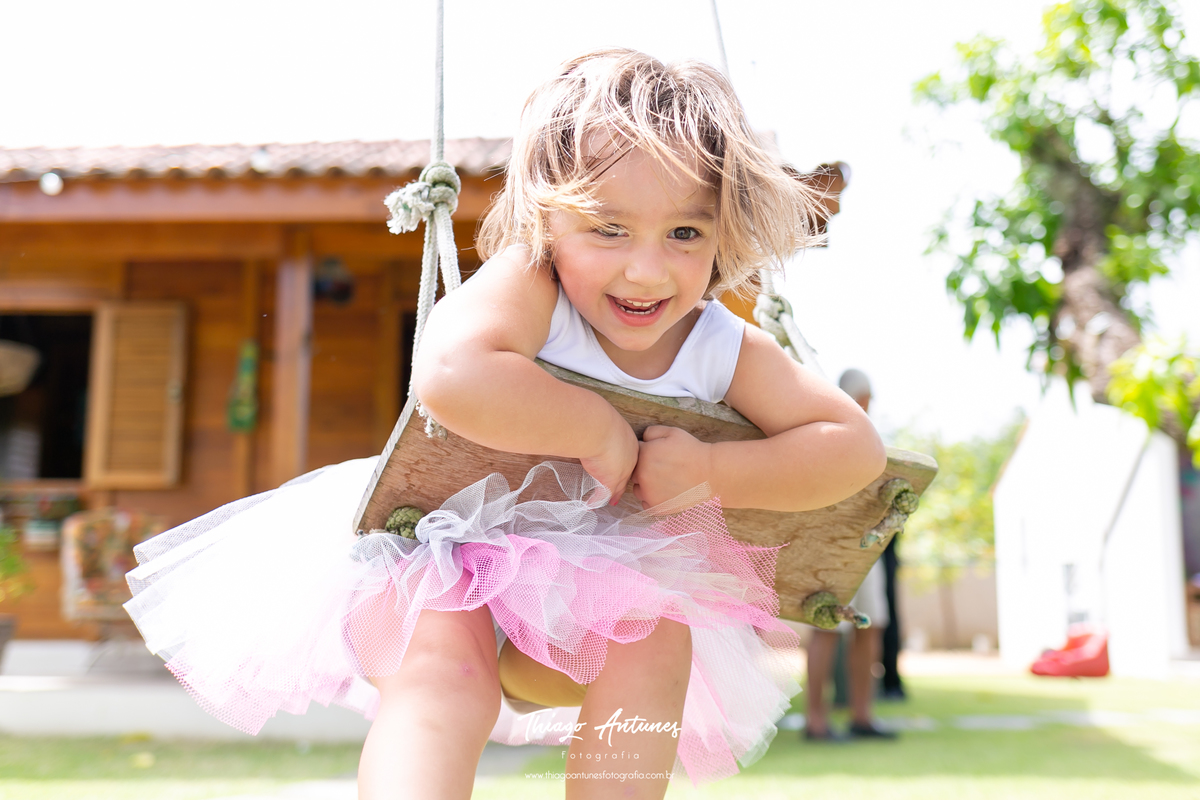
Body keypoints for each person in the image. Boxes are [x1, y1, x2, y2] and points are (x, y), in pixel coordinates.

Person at [123, 49, 886, 799]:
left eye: (685, 234)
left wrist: (717, 473)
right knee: (443, 675)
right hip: (438, 558)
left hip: (578, 610)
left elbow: (853, 449)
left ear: (724, 231)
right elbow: (449, 375)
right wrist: (594, 428)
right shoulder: (531, 288)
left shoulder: (718, 344)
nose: (648, 271)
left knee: (657, 639)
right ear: (546, 221)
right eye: (608, 229)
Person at [803, 368, 898, 740]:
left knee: (871, 627)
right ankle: (816, 720)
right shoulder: (823, 430)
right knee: (826, 628)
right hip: (828, 547)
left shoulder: (872, 438)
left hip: (867, 547)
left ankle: (862, 716)